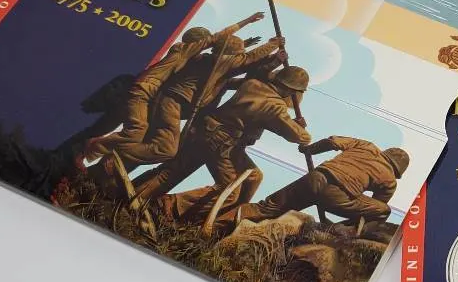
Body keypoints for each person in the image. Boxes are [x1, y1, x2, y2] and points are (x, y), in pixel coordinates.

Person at [134, 63, 311, 219]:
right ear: (292, 91)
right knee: (230, 190)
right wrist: (300, 129)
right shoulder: (275, 106)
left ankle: (223, 217)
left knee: (252, 177)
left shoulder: (253, 84)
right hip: (221, 142)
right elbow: (298, 136)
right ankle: (164, 207)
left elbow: (262, 117)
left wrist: (292, 124)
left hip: (208, 132)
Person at [85, 13, 266, 165]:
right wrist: (247, 21)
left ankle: (103, 153)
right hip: (146, 90)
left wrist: (241, 45)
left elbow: (218, 55)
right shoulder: (184, 51)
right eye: (205, 43)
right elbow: (217, 40)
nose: (207, 46)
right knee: (137, 130)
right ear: (198, 43)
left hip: (150, 92)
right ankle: (94, 147)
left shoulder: (190, 57)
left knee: (147, 138)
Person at [232, 136, 409, 226]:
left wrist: (310, 150)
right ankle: (339, 230)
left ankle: (222, 220)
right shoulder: (390, 180)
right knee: (383, 211)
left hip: (315, 178)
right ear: (398, 170)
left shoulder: (366, 145)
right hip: (339, 197)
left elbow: (332, 142)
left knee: (266, 207)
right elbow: (374, 208)